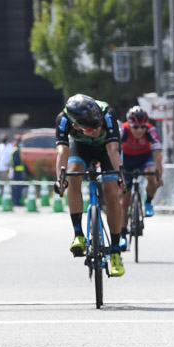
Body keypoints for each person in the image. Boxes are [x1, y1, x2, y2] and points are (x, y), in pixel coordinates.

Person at [53, 94, 127, 278]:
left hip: (106, 151)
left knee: (111, 192)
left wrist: (121, 176)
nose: (98, 128)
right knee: (72, 172)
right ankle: (78, 234)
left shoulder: (107, 115)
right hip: (81, 148)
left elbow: (113, 150)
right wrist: (60, 179)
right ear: (77, 127)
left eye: (99, 124)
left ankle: (116, 252)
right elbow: (62, 151)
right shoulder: (63, 120)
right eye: (92, 128)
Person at [121, 106, 164, 220]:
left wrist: (159, 176)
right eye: (135, 127)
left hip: (144, 158)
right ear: (129, 125)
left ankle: (148, 202)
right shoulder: (123, 130)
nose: (139, 130)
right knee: (124, 198)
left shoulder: (151, 130)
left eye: (142, 127)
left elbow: (157, 155)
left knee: (152, 176)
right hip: (127, 159)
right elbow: (115, 150)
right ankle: (123, 233)